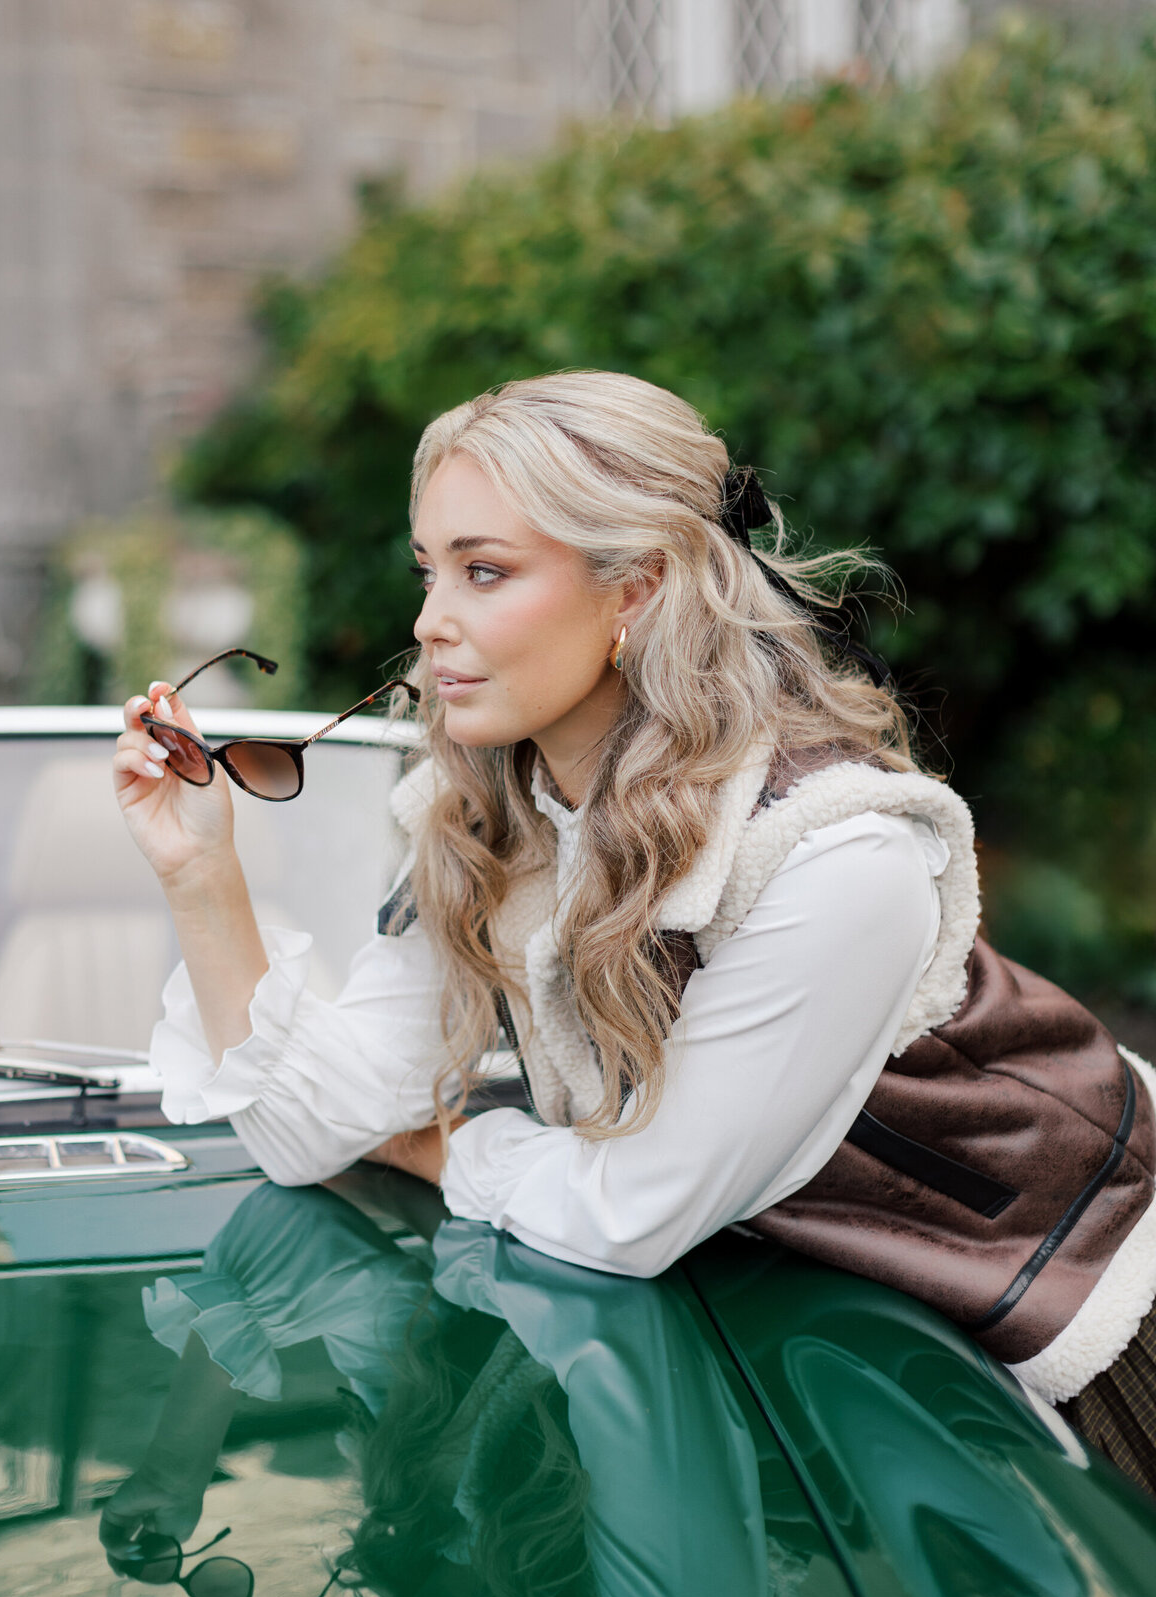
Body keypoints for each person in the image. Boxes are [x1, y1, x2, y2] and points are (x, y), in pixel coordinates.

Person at [114, 369, 1156, 1496]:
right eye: (428, 570)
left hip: (1080, 1314)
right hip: (825, 1340)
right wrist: (201, 873)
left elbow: (631, 1215)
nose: (427, 622)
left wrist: (433, 1148)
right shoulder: (481, 817)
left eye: (486, 571)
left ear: (638, 589)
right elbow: (312, 1132)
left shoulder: (837, 854)